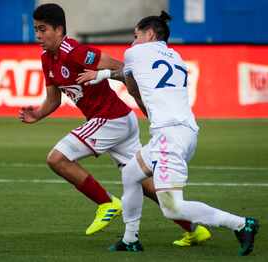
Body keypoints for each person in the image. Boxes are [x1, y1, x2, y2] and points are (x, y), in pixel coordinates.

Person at [20, 3, 210, 245]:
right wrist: (37, 114)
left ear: (59, 29)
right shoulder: (47, 59)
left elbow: (122, 68)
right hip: (118, 120)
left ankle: (107, 203)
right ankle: (194, 229)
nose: (38, 35)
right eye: (36, 29)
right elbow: (54, 99)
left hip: (111, 118)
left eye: (43, 29)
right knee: (143, 184)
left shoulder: (77, 52)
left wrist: (104, 75)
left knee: (57, 158)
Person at [77, 11, 259, 255]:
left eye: (135, 36)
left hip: (168, 136)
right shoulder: (176, 57)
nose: (131, 43)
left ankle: (240, 224)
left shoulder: (135, 53)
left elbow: (131, 84)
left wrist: (103, 75)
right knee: (131, 173)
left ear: (150, 34)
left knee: (172, 207)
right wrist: (107, 75)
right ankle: (130, 239)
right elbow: (138, 75)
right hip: (183, 132)